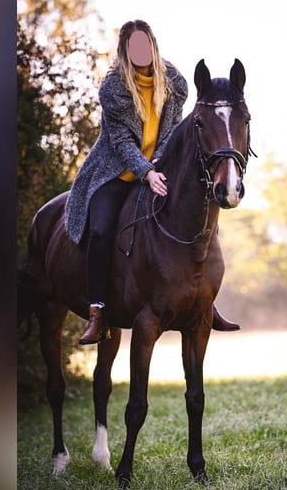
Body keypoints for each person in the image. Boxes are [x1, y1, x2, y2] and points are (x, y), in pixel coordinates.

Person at [65, 20, 239, 344]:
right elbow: (120, 142)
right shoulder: (114, 88)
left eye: (145, 44)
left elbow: (173, 128)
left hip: (160, 166)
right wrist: (145, 171)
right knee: (101, 230)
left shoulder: (173, 81)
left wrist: (159, 162)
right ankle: (97, 310)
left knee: (201, 216)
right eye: (133, 46)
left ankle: (206, 302)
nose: (140, 51)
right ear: (125, 50)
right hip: (116, 171)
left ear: (153, 45)